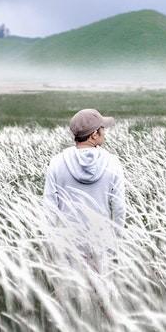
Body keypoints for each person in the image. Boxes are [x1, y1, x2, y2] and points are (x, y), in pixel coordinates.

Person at [43, 109, 126, 274]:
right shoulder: (113, 163)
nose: (105, 132)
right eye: (103, 129)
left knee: (73, 299)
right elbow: (119, 209)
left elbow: (49, 210)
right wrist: (116, 244)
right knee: (102, 297)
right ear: (94, 134)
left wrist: (51, 249)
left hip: (68, 246)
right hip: (103, 245)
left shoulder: (57, 163)